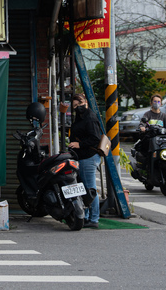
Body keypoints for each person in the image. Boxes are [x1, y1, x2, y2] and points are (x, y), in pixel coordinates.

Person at [67, 92, 101, 229]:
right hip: (82, 157)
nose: (78, 107)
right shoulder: (80, 118)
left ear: (85, 102)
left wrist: (79, 144)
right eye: (75, 105)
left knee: (89, 189)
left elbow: (95, 138)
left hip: (88, 156)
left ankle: (93, 218)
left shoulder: (90, 118)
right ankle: (86, 217)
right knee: (84, 189)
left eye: (80, 103)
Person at [134, 94, 166, 165]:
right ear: (151, 103)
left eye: (158, 102)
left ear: (161, 104)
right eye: (155, 101)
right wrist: (142, 127)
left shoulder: (164, 116)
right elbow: (142, 124)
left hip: (161, 140)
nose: (156, 103)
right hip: (150, 139)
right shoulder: (147, 114)